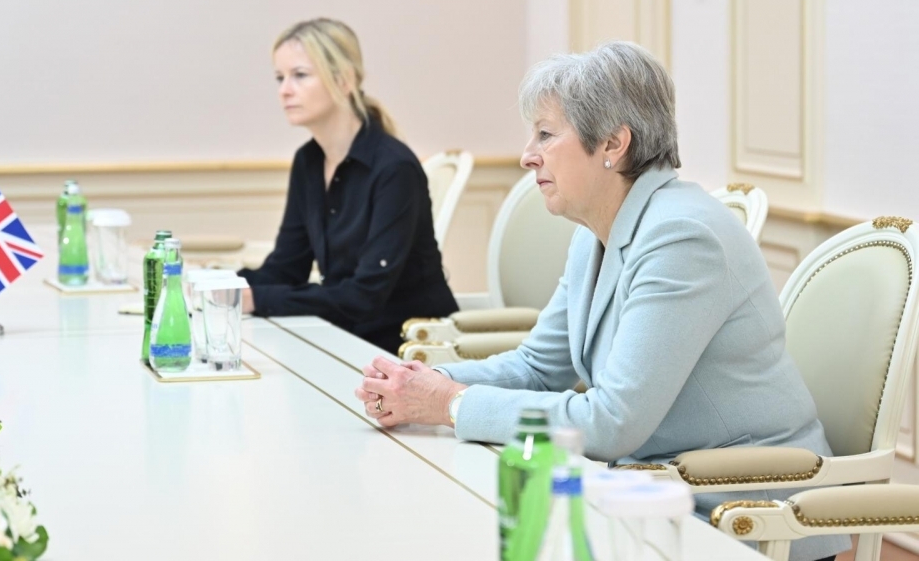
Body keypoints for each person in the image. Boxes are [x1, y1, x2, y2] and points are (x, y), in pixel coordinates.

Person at [353, 42, 847, 561]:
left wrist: (450, 404)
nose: (527, 155)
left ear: (613, 143)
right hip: (654, 498)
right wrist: (419, 383)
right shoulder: (596, 233)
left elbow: (613, 421)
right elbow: (538, 367)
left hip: (742, 514)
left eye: (546, 134)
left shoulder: (682, 237)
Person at [238, 18, 458, 354]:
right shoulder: (308, 162)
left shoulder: (394, 168)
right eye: (280, 78)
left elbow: (364, 296)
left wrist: (256, 298)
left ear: (343, 80)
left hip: (410, 351)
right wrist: (221, 285)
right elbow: (286, 267)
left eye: (300, 75)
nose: (284, 90)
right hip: (346, 337)